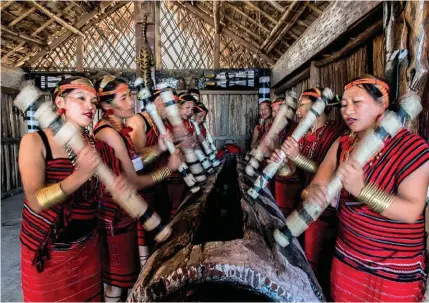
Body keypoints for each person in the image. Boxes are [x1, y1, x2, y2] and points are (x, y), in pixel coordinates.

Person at [306, 75, 429, 302]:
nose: (347, 110)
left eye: (356, 102)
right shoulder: (342, 143)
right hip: (347, 261)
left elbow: (411, 211)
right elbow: (317, 183)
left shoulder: (412, 148)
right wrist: (313, 193)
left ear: (382, 104)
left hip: (395, 273)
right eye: (343, 104)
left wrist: (362, 191)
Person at [19, 77, 132, 302]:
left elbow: (103, 196)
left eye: (93, 101)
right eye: (81, 98)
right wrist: (81, 174)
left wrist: (116, 191)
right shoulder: (34, 142)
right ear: (60, 102)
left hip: (87, 248)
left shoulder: (97, 147)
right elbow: (36, 201)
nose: (90, 106)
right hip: (47, 253)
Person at [93, 75, 181, 301]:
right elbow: (133, 181)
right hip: (115, 216)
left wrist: (160, 149)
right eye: (123, 98)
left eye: (130, 96)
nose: (131, 102)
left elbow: (135, 162)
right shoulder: (110, 134)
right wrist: (167, 170)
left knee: (127, 278)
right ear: (106, 104)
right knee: (116, 284)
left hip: (126, 212)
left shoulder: (119, 129)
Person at [271, 87, 346, 298]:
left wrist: (297, 158)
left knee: (318, 261)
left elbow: (331, 174)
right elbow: (294, 169)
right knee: (302, 253)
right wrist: (281, 161)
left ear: (317, 106)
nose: (297, 112)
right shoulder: (304, 134)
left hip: (326, 209)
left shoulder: (336, 133)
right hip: (304, 200)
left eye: (302, 106)